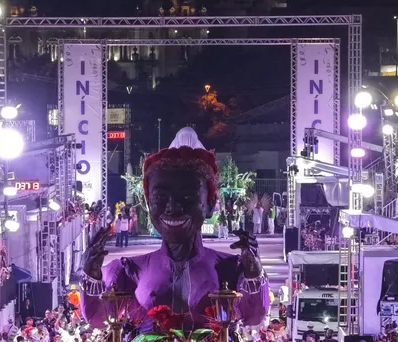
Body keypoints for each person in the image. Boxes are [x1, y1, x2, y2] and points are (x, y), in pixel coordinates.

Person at [80, 127, 269, 331]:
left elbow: (254, 316)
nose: (172, 208)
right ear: (148, 203)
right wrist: (91, 275)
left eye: (187, 198)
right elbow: (97, 318)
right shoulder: (129, 270)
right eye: (160, 198)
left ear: (211, 204)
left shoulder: (230, 268)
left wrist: (253, 271)